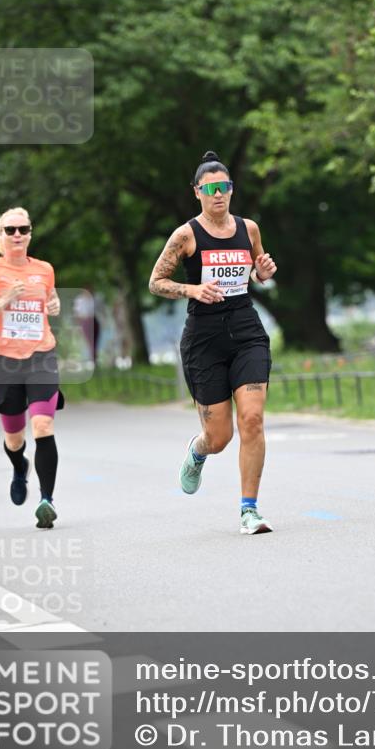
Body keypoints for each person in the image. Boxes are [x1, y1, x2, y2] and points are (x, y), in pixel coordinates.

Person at [149, 151, 277, 535]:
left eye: (225, 188)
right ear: (198, 193)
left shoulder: (248, 228)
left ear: (232, 191)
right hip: (204, 339)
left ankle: (249, 510)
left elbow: (256, 271)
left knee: (252, 420)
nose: (219, 195)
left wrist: (262, 273)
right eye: (211, 189)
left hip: (246, 332)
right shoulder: (186, 235)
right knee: (220, 437)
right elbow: (155, 281)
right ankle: (198, 450)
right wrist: (193, 289)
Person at [0, 207, 64, 528]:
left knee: (43, 427)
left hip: (41, 357)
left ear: (30, 233)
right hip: (5, 362)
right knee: (14, 438)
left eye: (23, 229)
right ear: (1, 236)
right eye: (10, 230)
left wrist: (54, 305)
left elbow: (49, 303)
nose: (17, 234)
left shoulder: (45, 270)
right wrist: (3, 300)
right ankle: (19, 467)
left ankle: (46, 501)